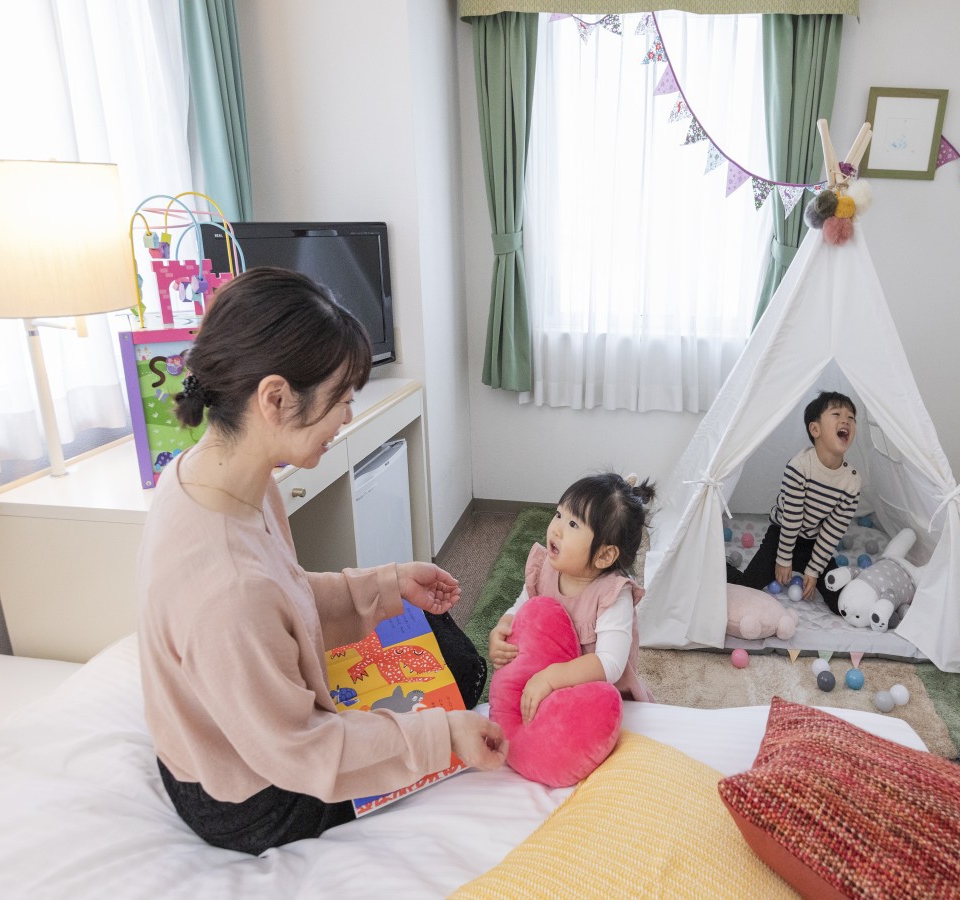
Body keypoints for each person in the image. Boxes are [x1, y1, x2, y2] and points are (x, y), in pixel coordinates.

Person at [136, 267, 506, 855]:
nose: (347, 419)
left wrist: (385, 587)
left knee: (428, 630)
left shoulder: (218, 478)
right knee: (456, 685)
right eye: (341, 400)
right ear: (276, 399)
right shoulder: (229, 590)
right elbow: (298, 751)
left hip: (241, 727)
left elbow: (285, 593)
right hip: (250, 794)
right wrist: (446, 739)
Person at [488, 473, 656, 724]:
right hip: (544, 679)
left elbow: (610, 664)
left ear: (604, 555)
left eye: (573, 524)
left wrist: (553, 677)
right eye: (559, 514)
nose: (556, 528)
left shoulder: (612, 595)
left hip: (599, 697)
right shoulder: (545, 568)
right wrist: (503, 627)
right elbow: (524, 604)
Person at [726, 391, 862, 615]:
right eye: (837, 414)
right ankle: (723, 567)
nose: (845, 420)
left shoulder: (852, 481)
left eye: (851, 417)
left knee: (841, 602)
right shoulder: (799, 467)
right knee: (745, 588)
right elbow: (791, 519)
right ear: (815, 429)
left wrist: (813, 570)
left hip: (813, 544)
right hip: (782, 535)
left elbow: (832, 531)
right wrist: (783, 559)